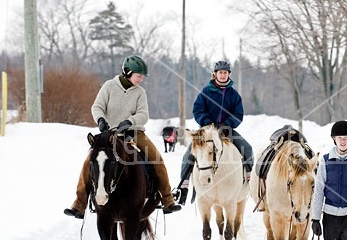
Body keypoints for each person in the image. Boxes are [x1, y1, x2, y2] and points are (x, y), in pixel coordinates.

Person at [63, 55, 182, 219]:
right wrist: (101, 120)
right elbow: (97, 107)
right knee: (89, 162)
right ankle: (79, 204)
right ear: (127, 72)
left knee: (156, 158)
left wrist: (129, 121)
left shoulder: (140, 92)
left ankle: (168, 200)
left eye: (142, 77)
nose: (141, 80)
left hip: (134, 133)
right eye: (139, 76)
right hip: (110, 134)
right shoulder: (109, 86)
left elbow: (144, 114)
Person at [172, 60, 253, 205]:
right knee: (188, 154)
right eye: (220, 72)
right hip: (207, 130)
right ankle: (183, 188)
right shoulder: (206, 92)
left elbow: (238, 114)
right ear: (215, 74)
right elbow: (198, 109)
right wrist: (207, 122)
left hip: (226, 130)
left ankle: (250, 180)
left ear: (228, 74)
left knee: (247, 148)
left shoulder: (233, 94)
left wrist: (227, 125)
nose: (223, 75)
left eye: (225, 72)